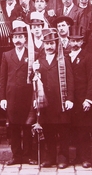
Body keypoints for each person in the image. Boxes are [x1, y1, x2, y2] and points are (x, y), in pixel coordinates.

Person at [33, 28, 74, 169]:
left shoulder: (63, 59)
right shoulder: (39, 60)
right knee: (48, 130)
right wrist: (35, 71)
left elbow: (70, 80)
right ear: (43, 44)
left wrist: (69, 98)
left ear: (56, 44)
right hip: (46, 102)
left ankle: (63, 157)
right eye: (47, 43)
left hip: (61, 101)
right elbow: (35, 82)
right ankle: (50, 157)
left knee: (62, 131)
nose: (49, 46)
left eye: (52, 43)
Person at [0, 21, 36, 165]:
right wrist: (2, 97)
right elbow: (2, 78)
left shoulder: (33, 54)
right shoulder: (7, 55)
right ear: (12, 39)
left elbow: (35, 77)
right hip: (12, 95)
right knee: (14, 126)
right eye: (15, 37)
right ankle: (16, 155)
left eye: (21, 37)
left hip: (27, 95)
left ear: (25, 38)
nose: (18, 40)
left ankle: (27, 155)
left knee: (27, 126)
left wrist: (35, 97)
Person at [68, 25, 92, 169]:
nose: (74, 44)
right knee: (74, 129)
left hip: (83, 100)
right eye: (72, 41)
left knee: (84, 130)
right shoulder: (66, 56)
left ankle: (86, 158)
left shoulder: (87, 57)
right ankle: (78, 156)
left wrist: (89, 99)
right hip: (71, 101)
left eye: (77, 41)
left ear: (81, 42)